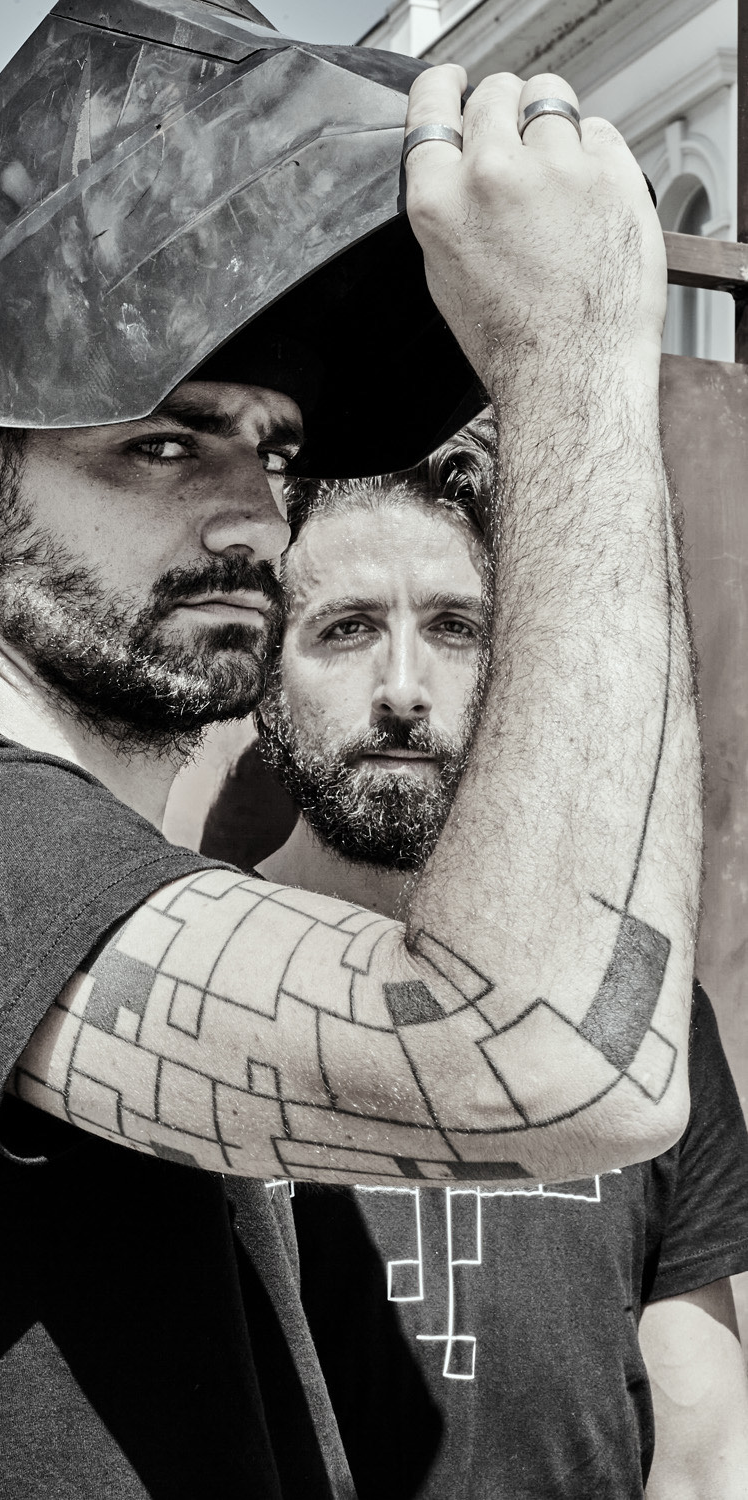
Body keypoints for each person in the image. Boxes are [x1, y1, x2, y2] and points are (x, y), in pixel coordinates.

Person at [0, 2, 704, 1495]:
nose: (249, 515)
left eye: (274, 451)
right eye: (162, 441)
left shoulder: (94, 872)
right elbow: (560, 1057)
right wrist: (575, 361)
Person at [220, 419, 748, 1499]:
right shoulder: (185, 976)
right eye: (347, 628)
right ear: (264, 678)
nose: (402, 689)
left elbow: (703, 1453)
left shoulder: (633, 1004)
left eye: (455, 627)